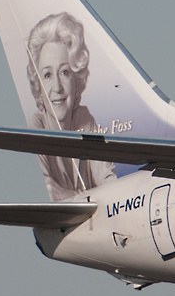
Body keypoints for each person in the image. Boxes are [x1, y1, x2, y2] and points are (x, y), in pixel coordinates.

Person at [25, 12, 116, 201]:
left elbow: (110, 183)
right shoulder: (36, 128)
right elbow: (48, 189)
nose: (57, 88)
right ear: (38, 85)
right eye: (48, 75)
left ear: (76, 80)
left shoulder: (84, 121)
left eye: (65, 72)